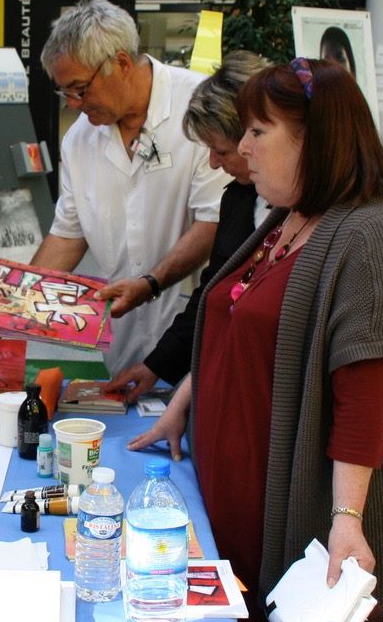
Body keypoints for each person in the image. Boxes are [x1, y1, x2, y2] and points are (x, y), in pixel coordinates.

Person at [129, 58, 383, 622]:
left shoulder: (372, 234)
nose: (242, 149)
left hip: (312, 525)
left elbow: (363, 395)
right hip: (243, 509)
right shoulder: (288, 219)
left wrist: (347, 519)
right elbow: (238, 325)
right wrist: (187, 399)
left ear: (316, 138)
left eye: (259, 131)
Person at [30, 0, 226, 373]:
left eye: (80, 89)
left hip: (193, 335)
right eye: (64, 92)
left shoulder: (200, 106)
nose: (72, 103)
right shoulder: (79, 140)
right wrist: (7, 303)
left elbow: (214, 221)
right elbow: (68, 234)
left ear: (120, 63)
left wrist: (150, 283)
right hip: (121, 344)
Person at [105, 51, 270, 403]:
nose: (214, 163)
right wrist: (157, 365)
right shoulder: (240, 198)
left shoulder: (338, 220)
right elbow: (214, 293)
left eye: (221, 151)